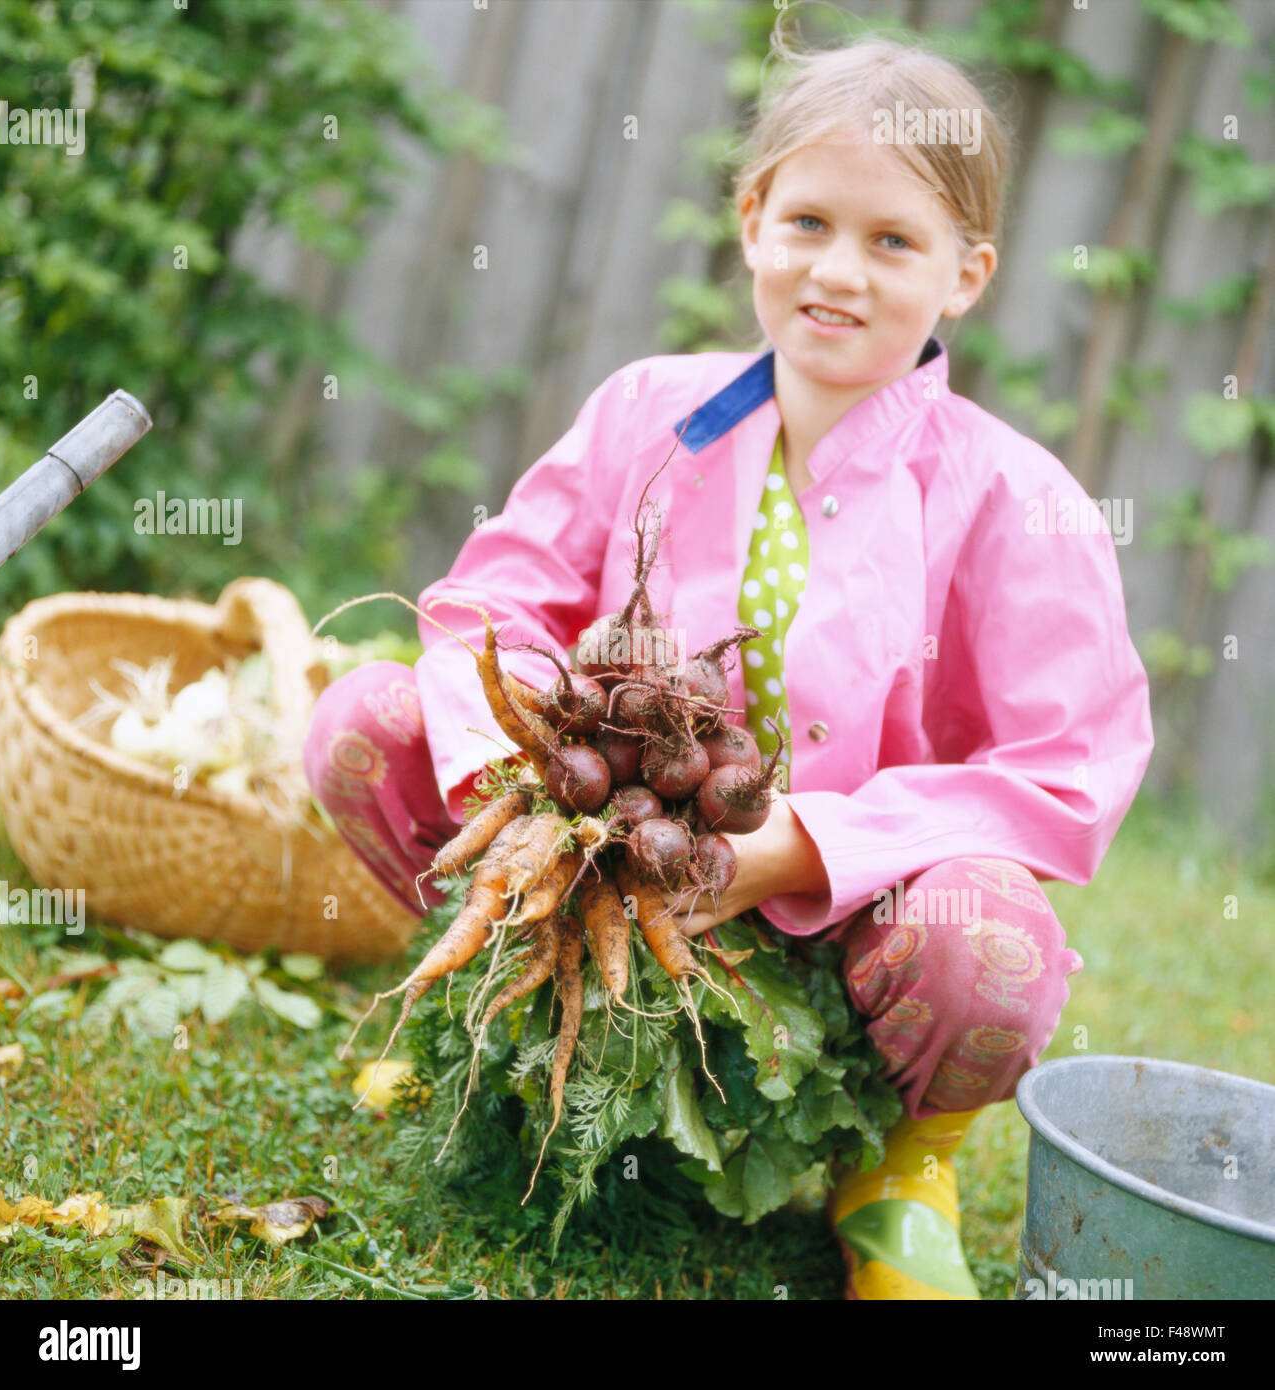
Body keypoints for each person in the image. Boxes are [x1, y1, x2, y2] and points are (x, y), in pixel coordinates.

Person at [303, 33, 1153, 1300]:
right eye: (806, 219)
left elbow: (1065, 772)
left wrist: (798, 845)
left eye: (891, 242)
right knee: (364, 721)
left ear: (965, 274)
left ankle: (897, 1172)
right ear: (751, 219)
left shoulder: (1018, 500)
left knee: (995, 946)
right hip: (610, 884)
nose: (836, 271)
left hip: (846, 924)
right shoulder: (649, 411)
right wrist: (534, 789)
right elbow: (494, 597)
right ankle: (507, 1022)